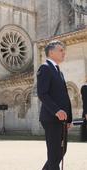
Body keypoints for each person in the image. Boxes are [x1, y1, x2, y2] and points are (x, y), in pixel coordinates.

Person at [37, 40, 72, 170]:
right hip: (51, 118)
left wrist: (69, 119)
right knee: (54, 154)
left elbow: (64, 97)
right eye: (61, 50)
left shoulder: (59, 71)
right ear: (51, 52)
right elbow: (42, 94)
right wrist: (57, 111)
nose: (64, 53)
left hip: (62, 120)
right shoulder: (45, 68)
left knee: (61, 152)